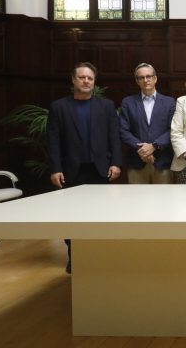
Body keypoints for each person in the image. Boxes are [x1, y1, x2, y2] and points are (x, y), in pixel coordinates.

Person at [47, 62, 122, 273]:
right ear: (73, 80)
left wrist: (116, 163)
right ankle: (75, 257)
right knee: (71, 217)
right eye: (82, 77)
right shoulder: (59, 107)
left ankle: (99, 257)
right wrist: (55, 168)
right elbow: (53, 141)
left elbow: (114, 137)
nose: (86, 81)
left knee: (101, 216)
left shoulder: (106, 106)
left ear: (94, 81)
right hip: (71, 171)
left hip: (100, 170)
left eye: (90, 78)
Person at [119, 63, 176, 184]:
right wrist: (142, 150)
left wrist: (154, 146)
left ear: (155, 78)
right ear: (137, 81)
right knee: (137, 197)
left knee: (164, 196)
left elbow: (173, 129)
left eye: (149, 76)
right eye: (141, 77)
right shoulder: (128, 103)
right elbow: (123, 130)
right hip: (137, 161)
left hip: (162, 162)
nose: (145, 80)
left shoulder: (170, 102)